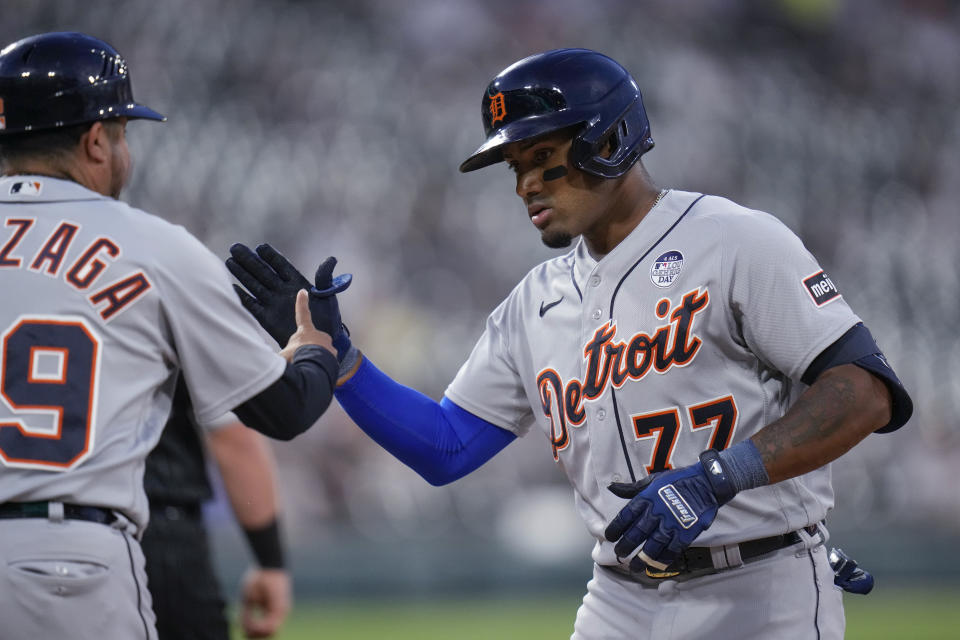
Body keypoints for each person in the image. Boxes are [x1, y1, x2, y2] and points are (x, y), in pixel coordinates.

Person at [227, 48, 912, 639]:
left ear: (608, 140)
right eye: (516, 167)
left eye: (544, 158)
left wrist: (718, 477)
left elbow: (865, 391)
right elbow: (445, 447)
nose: (525, 184)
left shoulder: (734, 241)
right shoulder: (535, 303)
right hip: (619, 596)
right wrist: (343, 360)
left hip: (761, 584)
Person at [0, 31, 342, 639]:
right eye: (123, 133)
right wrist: (315, 344)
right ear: (95, 140)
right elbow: (283, 411)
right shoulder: (152, 246)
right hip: (74, 561)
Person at [143, 379, 291, 640]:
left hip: (58, 527)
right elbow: (234, 437)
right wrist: (270, 561)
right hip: (160, 528)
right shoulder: (176, 334)